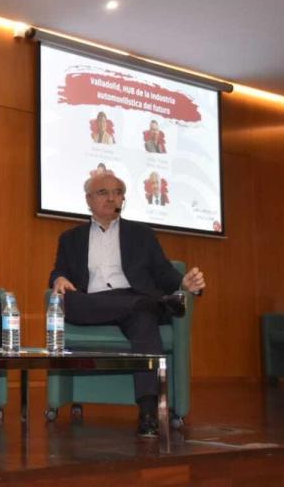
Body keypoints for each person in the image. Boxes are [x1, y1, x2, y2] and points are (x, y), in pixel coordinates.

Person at [48, 172, 205, 437]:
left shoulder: (141, 234)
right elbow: (58, 272)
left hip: (132, 300)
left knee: (143, 320)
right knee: (72, 303)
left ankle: (147, 412)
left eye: (118, 192)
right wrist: (59, 278)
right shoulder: (70, 238)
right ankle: (154, 305)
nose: (112, 198)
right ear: (88, 199)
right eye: (103, 192)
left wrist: (185, 284)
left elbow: (164, 273)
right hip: (93, 303)